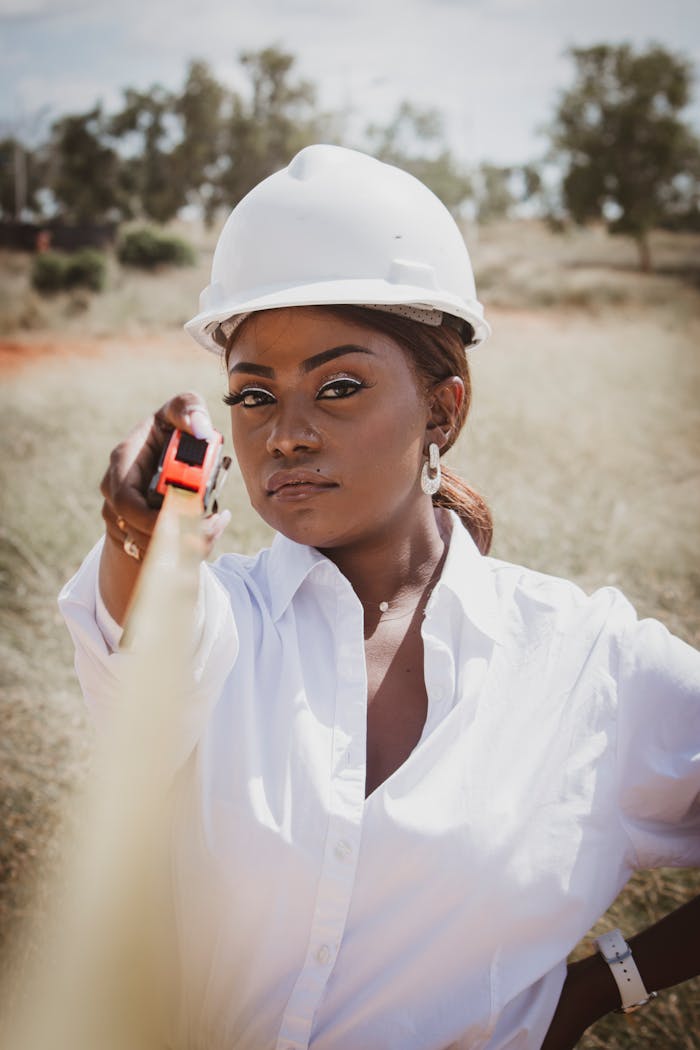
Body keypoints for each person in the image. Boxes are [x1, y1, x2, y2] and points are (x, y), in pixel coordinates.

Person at [59, 144, 699, 1050]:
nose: (286, 435)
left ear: (443, 409)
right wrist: (135, 532)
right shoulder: (225, 618)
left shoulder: (588, 662)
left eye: (340, 387)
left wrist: (604, 986)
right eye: (253, 395)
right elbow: (141, 638)